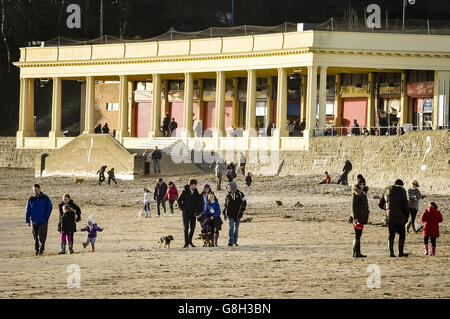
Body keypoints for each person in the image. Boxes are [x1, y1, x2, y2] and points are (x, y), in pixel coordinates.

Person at [378, 179, 410, 257]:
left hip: (390, 216)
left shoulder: (387, 191)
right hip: (400, 216)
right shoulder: (402, 191)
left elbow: (380, 203)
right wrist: (407, 215)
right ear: (401, 185)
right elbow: (405, 205)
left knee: (391, 234)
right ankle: (400, 252)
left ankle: (391, 253)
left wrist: (386, 208)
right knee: (402, 234)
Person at [26, 184, 53, 255]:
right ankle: (36, 250)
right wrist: (28, 220)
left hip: (43, 220)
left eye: (36, 190)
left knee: (42, 236)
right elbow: (28, 210)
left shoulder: (45, 197)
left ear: (39, 189)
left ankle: (41, 250)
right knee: (35, 237)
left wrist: (46, 216)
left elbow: (50, 207)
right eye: (34, 190)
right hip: (34, 221)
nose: (35, 192)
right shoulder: (31, 199)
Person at [177, 179, 203, 248]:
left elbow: (198, 202)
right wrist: (183, 209)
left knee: (193, 227)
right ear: (191, 185)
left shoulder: (196, 192)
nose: (195, 186)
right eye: (195, 185)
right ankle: (186, 242)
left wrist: (197, 211)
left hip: (193, 213)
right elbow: (179, 201)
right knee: (186, 227)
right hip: (185, 213)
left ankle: (190, 241)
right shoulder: (185, 191)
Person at [223, 182, 247, 247]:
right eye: (228, 188)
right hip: (230, 215)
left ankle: (235, 241)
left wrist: (241, 212)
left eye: (229, 187)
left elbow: (244, 203)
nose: (228, 189)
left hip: (238, 215)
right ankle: (231, 241)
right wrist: (224, 214)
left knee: (236, 228)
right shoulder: (227, 195)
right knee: (231, 227)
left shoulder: (240, 194)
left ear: (233, 187)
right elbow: (225, 205)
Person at [351, 178, 370, 257]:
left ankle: (355, 252)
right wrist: (355, 217)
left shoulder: (363, 192)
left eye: (363, 184)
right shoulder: (356, 193)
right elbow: (354, 206)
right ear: (358, 184)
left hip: (363, 216)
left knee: (358, 235)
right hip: (358, 217)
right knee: (357, 235)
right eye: (361, 184)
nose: (362, 185)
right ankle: (356, 252)